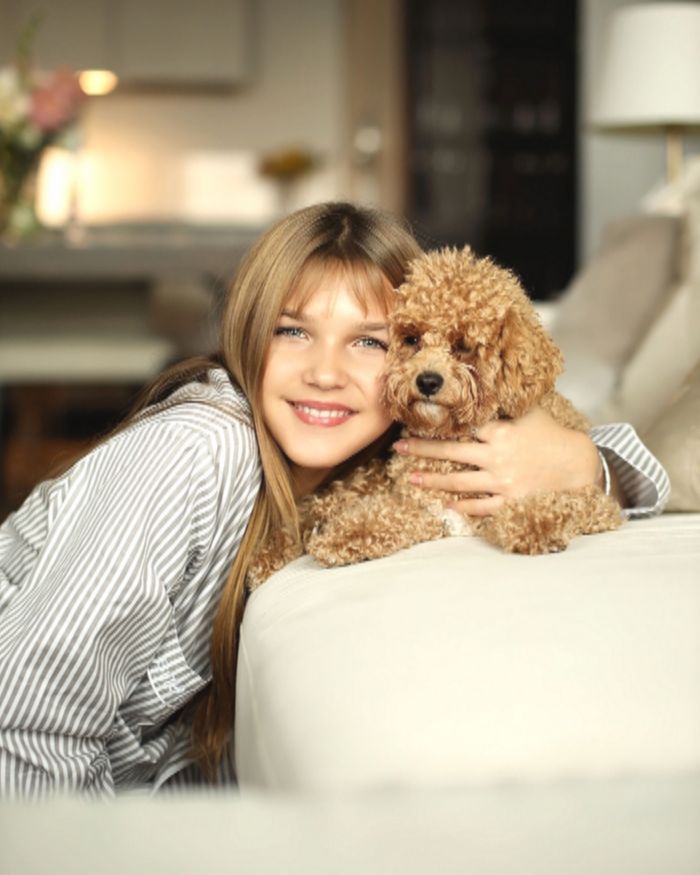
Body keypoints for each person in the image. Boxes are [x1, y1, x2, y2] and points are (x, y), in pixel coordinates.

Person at [0, 202, 669, 799]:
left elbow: (647, 475)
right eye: (293, 331)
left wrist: (582, 461)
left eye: (371, 342)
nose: (325, 373)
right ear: (249, 332)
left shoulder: (391, 444)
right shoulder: (192, 453)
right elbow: (29, 724)